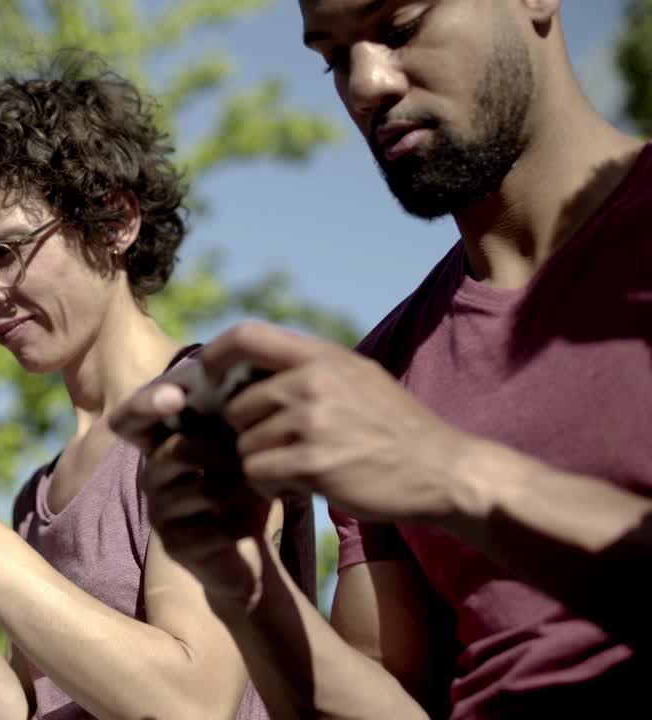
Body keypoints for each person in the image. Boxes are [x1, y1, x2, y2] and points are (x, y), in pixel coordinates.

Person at [110, 1, 652, 718]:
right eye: (334, 57)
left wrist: (449, 470)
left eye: (399, 28)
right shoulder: (390, 365)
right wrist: (240, 577)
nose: (365, 85)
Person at [0, 56, 317, 720]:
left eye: (4, 253)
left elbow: (192, 701)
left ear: (117, 221)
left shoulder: (211, 408)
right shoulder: (36, 495)